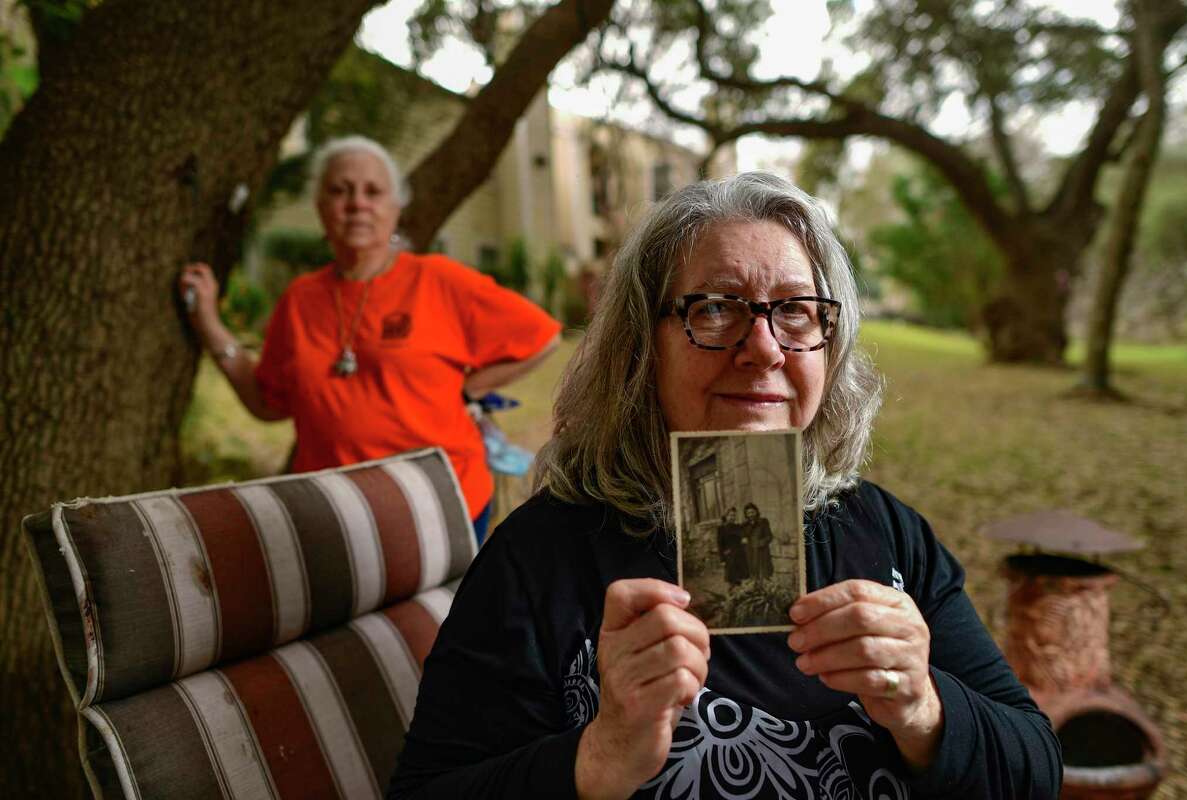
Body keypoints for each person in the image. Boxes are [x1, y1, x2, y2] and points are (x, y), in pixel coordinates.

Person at [389, 172, 1062, 798]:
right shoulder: (542, 559)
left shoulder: (887, 536)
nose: (764, 347)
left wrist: (924, 708)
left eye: (796, 311)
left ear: (830, 345)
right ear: (640, 349)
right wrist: (599, 757)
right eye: (715, 309)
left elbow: (1036, 770)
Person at [179, 136, 561, 545]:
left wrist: (471, 387)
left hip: (442, 505)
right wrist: (209, 324)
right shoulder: (300, 299)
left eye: (373, 191)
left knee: (442, 613)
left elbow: (543, 337)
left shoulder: (438, 280)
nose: (357, 202)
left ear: (396, 208)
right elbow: (266, 402)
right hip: (334, 513)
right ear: (320, 208)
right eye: (340, 190)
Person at [715, 506, 748, 588]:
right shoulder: (721, 529)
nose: (732, 517)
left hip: (739, 555)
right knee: (731, 579)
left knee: (740, 579)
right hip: (729, 556)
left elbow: (743, 537)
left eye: (734, 515)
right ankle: (732, 596)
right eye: (730, 515)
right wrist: (722, 559)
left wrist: (744, 539)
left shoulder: (738, 527)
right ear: (726, 516)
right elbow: (720, 544)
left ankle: (739, 597)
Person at [742, 501, 774, 581]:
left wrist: (761, 543)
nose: (751, 515)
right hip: (751, 553)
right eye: (748, 513)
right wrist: (743, 540)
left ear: (756, 511)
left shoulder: (763, 522)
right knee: (753, 575)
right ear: (746, 514)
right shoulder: (744, 525)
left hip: (762, 552)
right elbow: (743, 537)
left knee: (765, 575)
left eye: (752, 512)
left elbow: (769, 536)